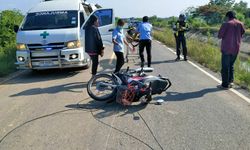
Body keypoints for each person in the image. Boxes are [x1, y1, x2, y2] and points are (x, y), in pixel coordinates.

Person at [218, 11, 245, 89]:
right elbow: (242, 32)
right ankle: (231, 82)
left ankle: (225, 85)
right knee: (231, 65)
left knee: (225, 67)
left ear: (227, 16)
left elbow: (219, 36)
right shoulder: (241, 24)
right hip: (236, 48)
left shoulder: (226, 24)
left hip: (226, 48)